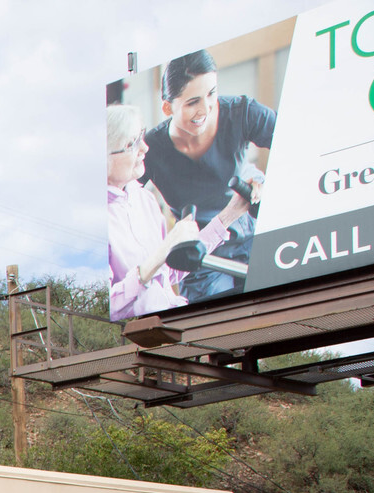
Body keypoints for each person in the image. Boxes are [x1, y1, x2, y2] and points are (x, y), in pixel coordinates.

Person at [141, 49, 274, 303]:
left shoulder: (242, 111)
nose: (206, 108)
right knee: (215, 325)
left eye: (212, 93)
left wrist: (267, 185)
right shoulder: (150, 149)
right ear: (168, 107)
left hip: (252, 237)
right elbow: (117, 194)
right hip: (202, 254)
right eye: (192, 102)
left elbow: (299, 143)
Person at [107, 104, 201, 319]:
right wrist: (165, 249)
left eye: (142, 136)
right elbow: (107, 308)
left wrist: (228, 216)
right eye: (132, 143)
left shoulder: (145, 199)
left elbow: (168, 274)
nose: (145, 148)